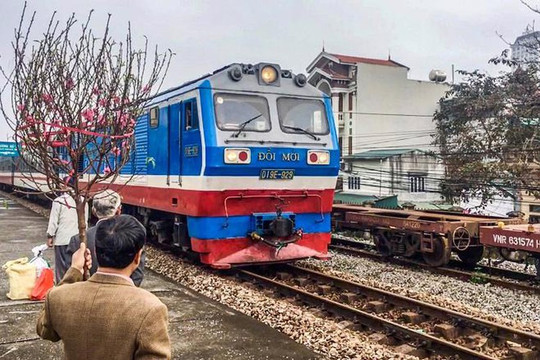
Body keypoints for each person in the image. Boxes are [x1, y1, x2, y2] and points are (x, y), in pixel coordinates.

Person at [36, 215, 171, 360]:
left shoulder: (58, 297)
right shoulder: (151, 308)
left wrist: (74, 270)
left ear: (94, 250)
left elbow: (44, 331)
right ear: (137, 257)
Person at [64, 189, 145, 286]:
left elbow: (71, 275)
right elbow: (137, 276)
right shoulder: (132, 237)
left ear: (94, 211)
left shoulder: (77, 241)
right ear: (118, 210)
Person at [47, 185, 88, 283]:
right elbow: (85, 221)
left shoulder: (58, 201)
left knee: (61, 269)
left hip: (62, 240)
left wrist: (50, 235)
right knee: (75, 268)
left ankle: (61, 289)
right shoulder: (83, 200)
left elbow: (53, 221)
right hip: (77, 240)